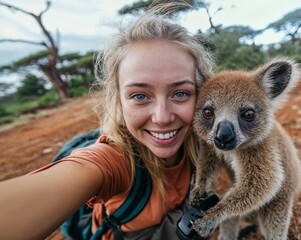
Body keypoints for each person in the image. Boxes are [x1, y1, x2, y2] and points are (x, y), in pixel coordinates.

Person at [0, 3, 214, 240]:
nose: (162, 117)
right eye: (140, 96)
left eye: (180, 93)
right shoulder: (115, 160)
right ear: (119, 100)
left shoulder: (211, 141)